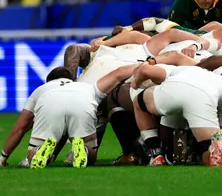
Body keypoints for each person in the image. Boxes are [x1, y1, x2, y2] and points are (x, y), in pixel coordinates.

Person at [0, 65, 137, 168]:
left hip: (49, 102)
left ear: (48, 81)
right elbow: (119, 74)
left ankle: (40, 151)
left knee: (32, 156)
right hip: (82, 101)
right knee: (91, 158)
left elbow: (20, 128)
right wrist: (146, 63)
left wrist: (3, 158)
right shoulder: (86, 86)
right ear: (72, 79)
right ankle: (84, 150)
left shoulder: (40, 90)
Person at [130, 63, 222, 166]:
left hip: (175, 89)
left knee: (138, 103)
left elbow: (144, 69)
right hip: (204, 97)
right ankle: (212, 149)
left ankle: (156, 153)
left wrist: (135, 83)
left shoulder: (177, 69)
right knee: (206, 146)